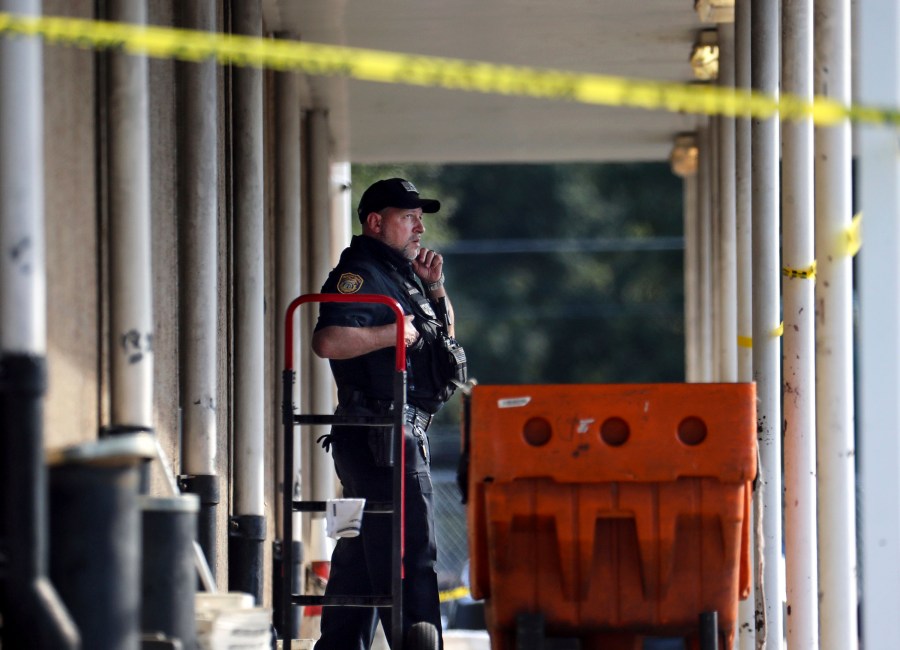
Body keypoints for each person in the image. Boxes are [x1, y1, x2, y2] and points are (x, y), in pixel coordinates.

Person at [311, 178, 464, 650]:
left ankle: (337, 646)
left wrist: (436, 288)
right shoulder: (359, 272)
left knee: (360, 550)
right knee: (411, 554)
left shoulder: (404, 273)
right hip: (381, 435)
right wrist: (392, 333)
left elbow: (446, 340)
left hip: (393, 433)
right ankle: (418, 643)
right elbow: (328, 340)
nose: (419, 227)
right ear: (375, 222)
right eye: (407, 217)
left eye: (420, 218)